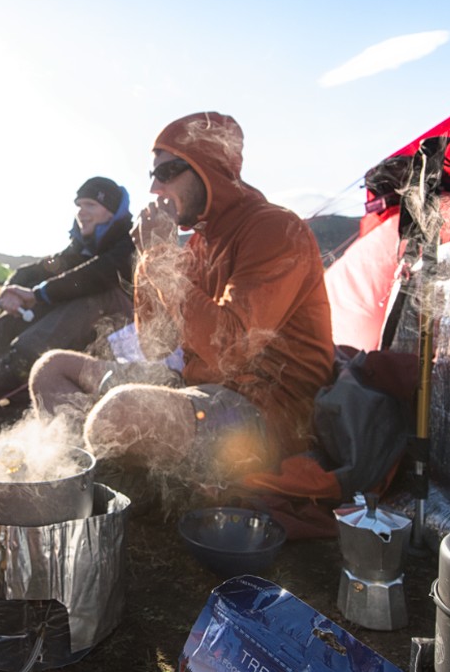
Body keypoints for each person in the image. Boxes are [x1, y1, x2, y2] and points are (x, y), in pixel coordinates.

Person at [29, 111, 337, 502]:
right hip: (198, 388)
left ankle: (112, 485)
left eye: (169, 171)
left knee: (119, 412)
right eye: (153, 175)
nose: (156, 187)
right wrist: (148, 260)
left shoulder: (276, 229)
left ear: (211, 168)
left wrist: (159, 256)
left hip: (266, 412)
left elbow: (231, 349)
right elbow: (156, 345)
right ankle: (90, 475)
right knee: (51, 368)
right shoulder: (199, 243)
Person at [0, 176, 136, 400]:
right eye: (79, 206)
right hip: (85, 330)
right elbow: (32, 272)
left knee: (86, 294)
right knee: (48, 292)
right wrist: (12, 290)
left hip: (124, 332)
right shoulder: (80, 248)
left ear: (112, 211)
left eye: (90, 205)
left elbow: (100, 274)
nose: (81, 212)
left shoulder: (130, 240)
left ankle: (13, 367)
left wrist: (38, 294)